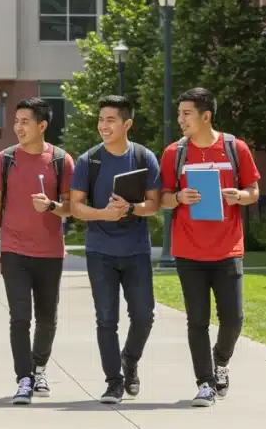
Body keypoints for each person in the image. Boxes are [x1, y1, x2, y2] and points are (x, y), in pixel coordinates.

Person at [159, 87, 260, 408]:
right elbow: (162, 198)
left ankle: (221, 362)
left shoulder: (235, 148)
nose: (180, 120)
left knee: (233, 319)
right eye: (179, 113)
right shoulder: (174, 153)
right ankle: (204, 383)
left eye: (186, 114)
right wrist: (178, 197)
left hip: (228, 248)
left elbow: (253, 190)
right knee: (197, 320)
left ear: (206, 116)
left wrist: (239, 196)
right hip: (189, 250)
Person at [69, 95, 162, 404]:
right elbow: (76, 206)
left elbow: (154, 204)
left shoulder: (144, 157)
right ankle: (114, 382)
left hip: (136, 251)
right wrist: (104, 214)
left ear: (127, 124)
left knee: (144, 316)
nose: (103, 125)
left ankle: (130, 360)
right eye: (101, 119)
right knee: (106, 319)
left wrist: (132, 208)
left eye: (110, 120)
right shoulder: (89, 161)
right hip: (100, 252)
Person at [0, 97, 74, 405]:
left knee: (47, 318)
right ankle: (24, 379)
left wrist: (51, 206)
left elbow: (70, 208)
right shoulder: (5, 159)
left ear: (42, 125)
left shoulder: (61, 160)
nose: (18, 127)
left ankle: (39, 368)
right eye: (16, 121)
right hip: (14, 250)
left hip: (50, 252)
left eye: (25, 122)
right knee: (20, 317)